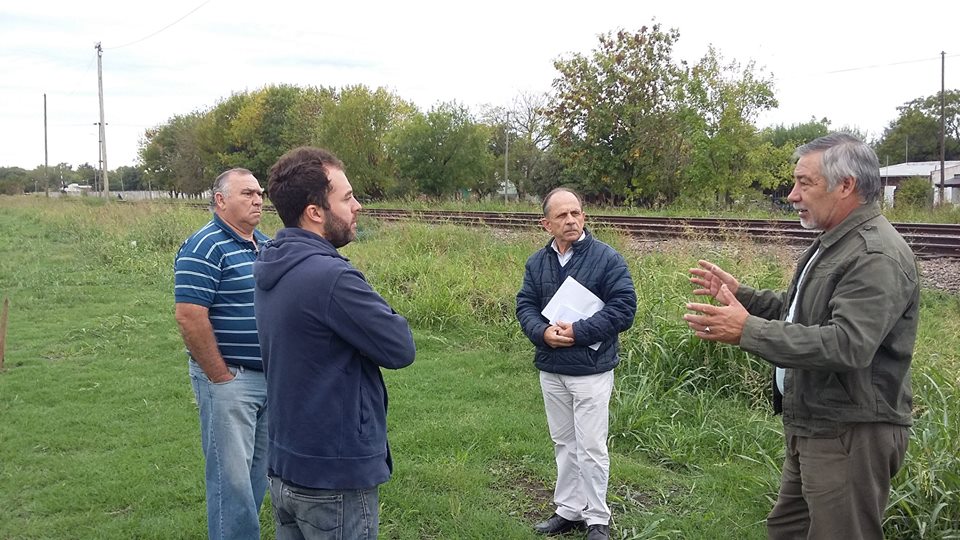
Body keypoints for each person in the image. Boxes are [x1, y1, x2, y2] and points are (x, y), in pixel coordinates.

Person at [684, 133, 918, 539]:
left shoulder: (874, 254)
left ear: (846, 185)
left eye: (804, 183)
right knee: (788, 528)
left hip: (849, 432)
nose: (792, 195)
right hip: (818, 422)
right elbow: (803, 314)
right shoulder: (837, 241)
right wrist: (745, 298)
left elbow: (848, 344)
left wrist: (747, 330)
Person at [253, 146, 416, 540]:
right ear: (315, 212)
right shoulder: (331, 277)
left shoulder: (272, 262)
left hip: (287, 464)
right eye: (347, 198)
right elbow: (399, 346)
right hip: (333, 474)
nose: (357, 206)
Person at [516, 188, 637, 540]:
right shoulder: (537, 263)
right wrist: (542, 333)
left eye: (576, 213)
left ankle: (597, 518)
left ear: (583, 216)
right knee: (564, 443)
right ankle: (568, 510)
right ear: (546, 224)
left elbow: (624, 308)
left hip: (591, 369)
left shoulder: (607, 258)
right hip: (552, 367)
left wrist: (579, 331)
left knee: (592, 447)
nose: (571, 220)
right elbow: (525, 305)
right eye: (562, 215)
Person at [174, 168, 269, 540]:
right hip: (231, 379)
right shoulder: (205, 246)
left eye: (259, 193)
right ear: (220, 200)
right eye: (247, 193)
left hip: (269, 378)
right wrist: (220, 377)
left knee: (257, 474)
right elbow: (189, 315)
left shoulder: (264, 244)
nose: (258, 200)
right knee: (231, 480)